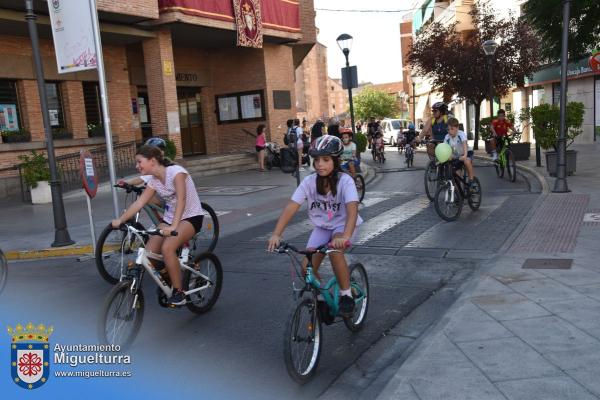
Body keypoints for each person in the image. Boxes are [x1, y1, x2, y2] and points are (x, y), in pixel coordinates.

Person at [267, 135, 362, 317]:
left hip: (343, 227)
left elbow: (352, 210)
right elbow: (291, 207)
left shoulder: (345, 181)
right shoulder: (309, 182)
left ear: (336, 160)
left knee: (335, 250)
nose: (319, 164)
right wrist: (276, 234)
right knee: (306, 268)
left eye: (326, 160)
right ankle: (322, 299)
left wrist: (345, 236)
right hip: (322, 227)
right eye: (316, 159)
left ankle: (346, 294)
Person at [111, 145, 206, 305]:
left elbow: (181, 200)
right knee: (149, 256)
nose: (137, 166)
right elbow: (140, 202)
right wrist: (121, 220)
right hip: (170, 220)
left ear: (152, 161)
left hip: (191, 217)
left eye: (139, 162)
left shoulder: (176, 172)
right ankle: (170, 275)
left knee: (167, 248)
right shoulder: (154, 181)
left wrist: (174, 226)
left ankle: (179, 291)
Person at [444, 117, 476, 186]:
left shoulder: (461, 134)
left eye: (452, 129)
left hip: (467, 152)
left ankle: (471, 180)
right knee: (456, 175)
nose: (450, 131)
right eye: (448, 129)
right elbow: (445, 148)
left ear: (457, 128)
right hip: (457, 156)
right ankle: (460, 193)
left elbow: (464, 144)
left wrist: (464, 155)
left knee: (466, 161)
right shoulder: (447, 137)